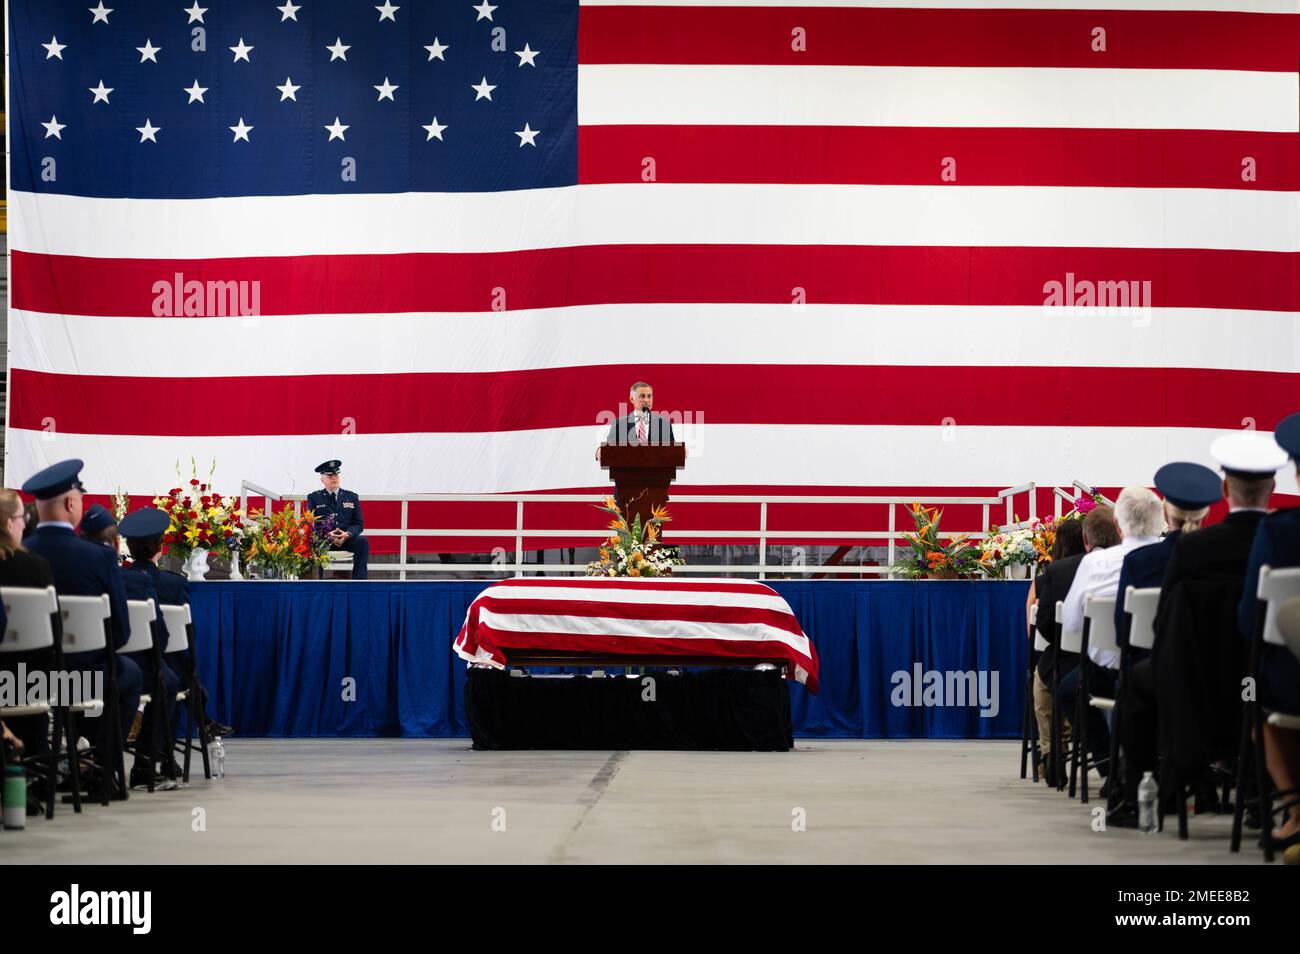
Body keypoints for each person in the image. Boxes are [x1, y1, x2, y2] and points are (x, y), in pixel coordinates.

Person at [1122, 431, 1282, 817]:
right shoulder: (1282, 542)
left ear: (1225, 487)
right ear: (1273, 487)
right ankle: (1267, 796)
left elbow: (1166, 624)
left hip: (1195, 689)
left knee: (1135, 682)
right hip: (1262, 686)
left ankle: (1144, 797)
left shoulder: (1193, 549)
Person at [21, 459, 141, 786]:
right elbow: (120, 631)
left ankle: (43, 764)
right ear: (72, 503)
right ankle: (101, 768)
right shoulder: (99, 558)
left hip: (23, 683)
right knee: (127, 673)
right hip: (84, 680)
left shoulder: (17, 554)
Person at [1238, 412, 1300, 846]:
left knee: (1253, 694)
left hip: (1291, 681)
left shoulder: (1279, 533)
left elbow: (1250, 619)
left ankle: (1295, 812)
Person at [117, 508, 183, 789]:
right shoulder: (172, 584)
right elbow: (164, 637)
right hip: (147, 666)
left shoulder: (118, 579)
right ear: (161, 546)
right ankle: (148, 758)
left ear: (129, 547)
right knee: (171, 676)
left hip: (103, 663)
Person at [0, 488, 57, 791]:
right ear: (9, 523)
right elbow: (54, 636)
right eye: (22, 518)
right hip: (34, 684)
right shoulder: (37, 567)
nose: (25, 524)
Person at [1027, 518, 1084, 777]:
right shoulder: (1095, 570)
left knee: (1043, 680)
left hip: (1059, 654)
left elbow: (1036, 629)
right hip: (1097, 655)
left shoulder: (1047, 577)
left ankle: (1051, 752)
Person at [306, 460, 370, 579]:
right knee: (313, 544)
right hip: (324, 541)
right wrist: (327, 535)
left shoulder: (351, 497)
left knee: (363, 542)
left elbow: (359, 523)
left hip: (346, 539)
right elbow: (311, 524)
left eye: (336, 475)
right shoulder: (314, 498)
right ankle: (316, 583)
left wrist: (348, 534)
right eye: (330, 476)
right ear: (322, 479)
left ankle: (359, 583)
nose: (333, 478)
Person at [597, 381, 677, 459]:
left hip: (658, 472)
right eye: (642, 396)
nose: (646, 400)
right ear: (632, 399)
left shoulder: (664, 424)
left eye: (649, 396)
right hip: (627, 472)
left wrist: (681, 451)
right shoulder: (619, 424)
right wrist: (600, 451)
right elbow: (609, 448)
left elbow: (673, 451)